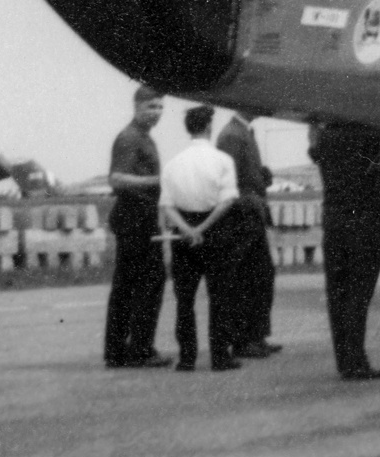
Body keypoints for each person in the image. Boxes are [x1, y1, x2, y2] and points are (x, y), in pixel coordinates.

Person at [159, 106, 242, 373]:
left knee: (185, 300)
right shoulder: (222, 160)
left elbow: (167, 205)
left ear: (188, 128)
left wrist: (187, 229)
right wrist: (203, 228)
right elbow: (226, 201)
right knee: (220, 296)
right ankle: (220, 356)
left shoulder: (173, 163)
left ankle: (187, 358)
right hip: (215, 231)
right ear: (208, 127)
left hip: (184, 233)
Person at [311, 122, 380, 380]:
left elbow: (314, 152)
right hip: (366, 223)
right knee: (358, 296)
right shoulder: (373, 133)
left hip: (335, 222)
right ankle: (357, 360)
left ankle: (345, 360)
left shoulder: (325, 138)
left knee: (337, 294)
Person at [103, 85, 172, 369]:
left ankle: (117, 351)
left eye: (159, 108)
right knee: (148, 284)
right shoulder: (130, 137)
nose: (156, 113)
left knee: (126, 286)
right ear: (136, 107)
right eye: (151, 107)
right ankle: (140, 350)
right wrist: (156, 182)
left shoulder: (142, 137)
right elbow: (116, 179)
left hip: (138, 217)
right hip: (135, 217)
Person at [215, 110, 280, 359]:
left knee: (261, 275)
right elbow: (226, 178)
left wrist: (260, 179)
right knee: (246, 278)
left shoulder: (242, 132)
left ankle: (256, 336)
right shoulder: (232, 134)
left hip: (253, 213)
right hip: (243, 215)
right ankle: (244, 341)